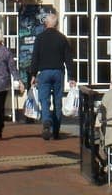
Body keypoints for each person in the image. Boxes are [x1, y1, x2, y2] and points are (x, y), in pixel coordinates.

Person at [29, 11, 76, 140]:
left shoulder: (40, 38)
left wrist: (33, 74)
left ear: (45, 24)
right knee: (57, 101)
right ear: (56, 25)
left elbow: (35, 58)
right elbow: (68, 59)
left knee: (44, 100)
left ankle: (46, 122)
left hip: (44, 72)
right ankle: (56, 131)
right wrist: (72, 77)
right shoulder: (62, 38)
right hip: (58, 72)